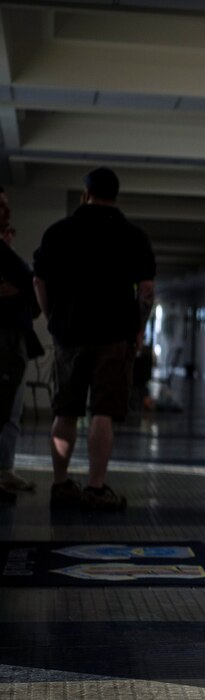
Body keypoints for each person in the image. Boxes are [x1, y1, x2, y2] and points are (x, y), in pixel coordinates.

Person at [33, 167, 156, 511]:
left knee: (66, 410)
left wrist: (51, 318)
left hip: (69, 335)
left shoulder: (58, 232)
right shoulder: (133, 236)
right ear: (116, 196)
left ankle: (61, 485)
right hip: (114, 337)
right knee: (103, 412)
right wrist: (138, 326)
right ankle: (96, 488)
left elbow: (38, 281)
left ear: (84, 194)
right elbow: (146, 290)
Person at [0, 189, 41, 500]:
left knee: (11, 411)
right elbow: (31, 283)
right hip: (5, 340)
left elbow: (30, 290)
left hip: (14, 340)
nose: (6, 211)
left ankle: (5, 469)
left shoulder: (6, 250)